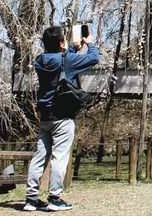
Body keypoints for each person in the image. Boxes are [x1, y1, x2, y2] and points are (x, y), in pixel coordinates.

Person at [24, 26, 99, 212]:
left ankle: (31, 199)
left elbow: (60, 62)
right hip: (63, 115)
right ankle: (54, 198)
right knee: (60, 156)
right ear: (60, 43)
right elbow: (93, 58)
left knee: (40, 155)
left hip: (45, 115)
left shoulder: (40, 60)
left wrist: (72, 48)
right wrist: (88, 44)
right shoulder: (66, 60)